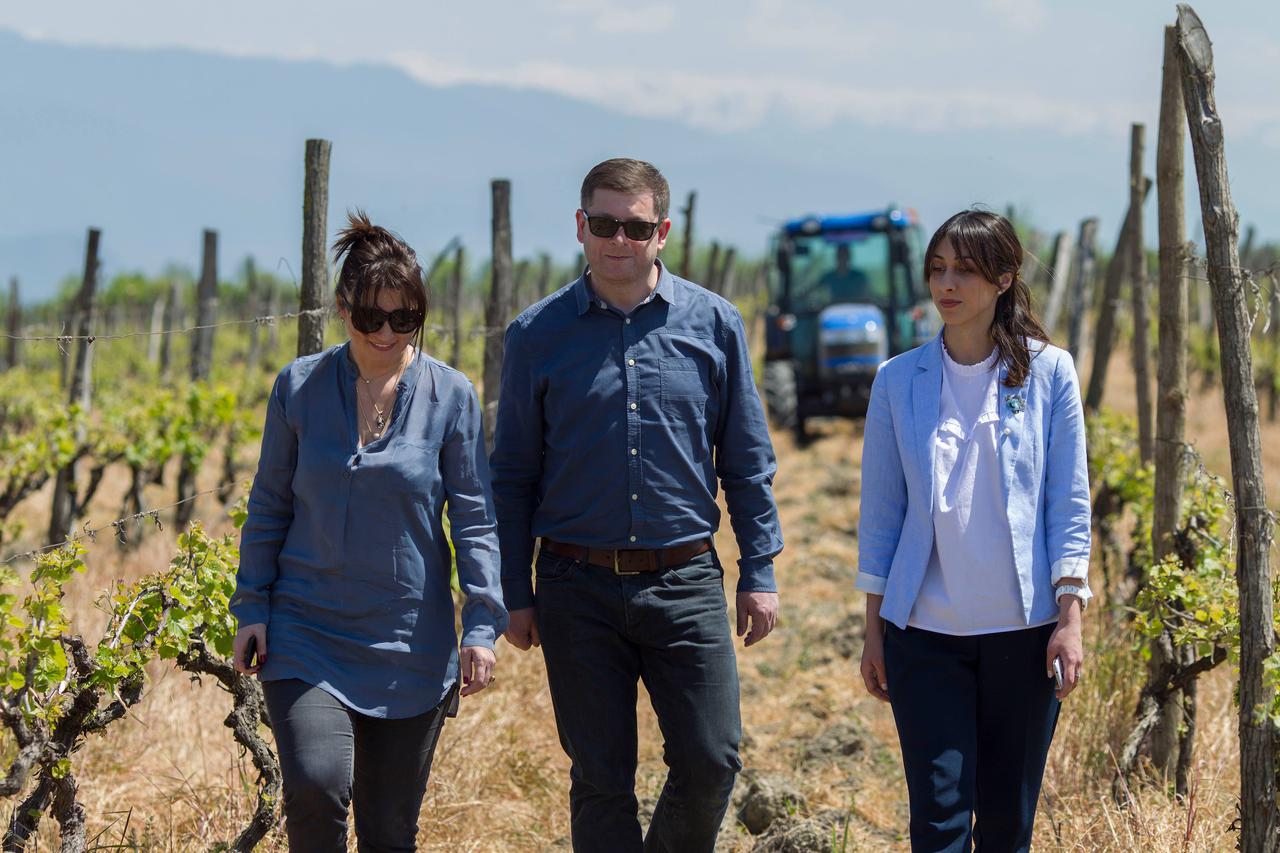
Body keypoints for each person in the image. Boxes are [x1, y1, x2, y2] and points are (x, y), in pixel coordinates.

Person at [491, 157, 784, 853]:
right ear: (580, 227)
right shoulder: (536, 335)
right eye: (603, 224)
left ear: (663, 233)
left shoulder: (715, 324)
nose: (618, 239)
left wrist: (760, 569)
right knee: (600, 779)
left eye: (636, 227)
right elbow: (512, 476)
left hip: (685, 579)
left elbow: (746, 461)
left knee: (712, 761)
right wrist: (513, 592)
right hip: (575, 586)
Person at [230, 211, 508, 851]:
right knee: (316, 786)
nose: (386, 333)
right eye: (369, 317)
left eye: (404, 319)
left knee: (389, 832)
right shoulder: (297, 387)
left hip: (410, 644)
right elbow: (268, 505)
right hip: (307, 633)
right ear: (341, 307)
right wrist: (251, 606)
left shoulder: (452, 396)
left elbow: (475, 517)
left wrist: (482, 624)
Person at [855, 209, 1091, 852]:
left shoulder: (1050, 373)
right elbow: (881, 515)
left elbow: (1068, 504)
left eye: (964, 270)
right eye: (937, 269)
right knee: (938, 824)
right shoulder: (896, 380)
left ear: (1004, 278)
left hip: (1025, 634)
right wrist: (874, 629)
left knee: (1008, 826)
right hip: (923, 638)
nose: (946, 284)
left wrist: (1070, 619)